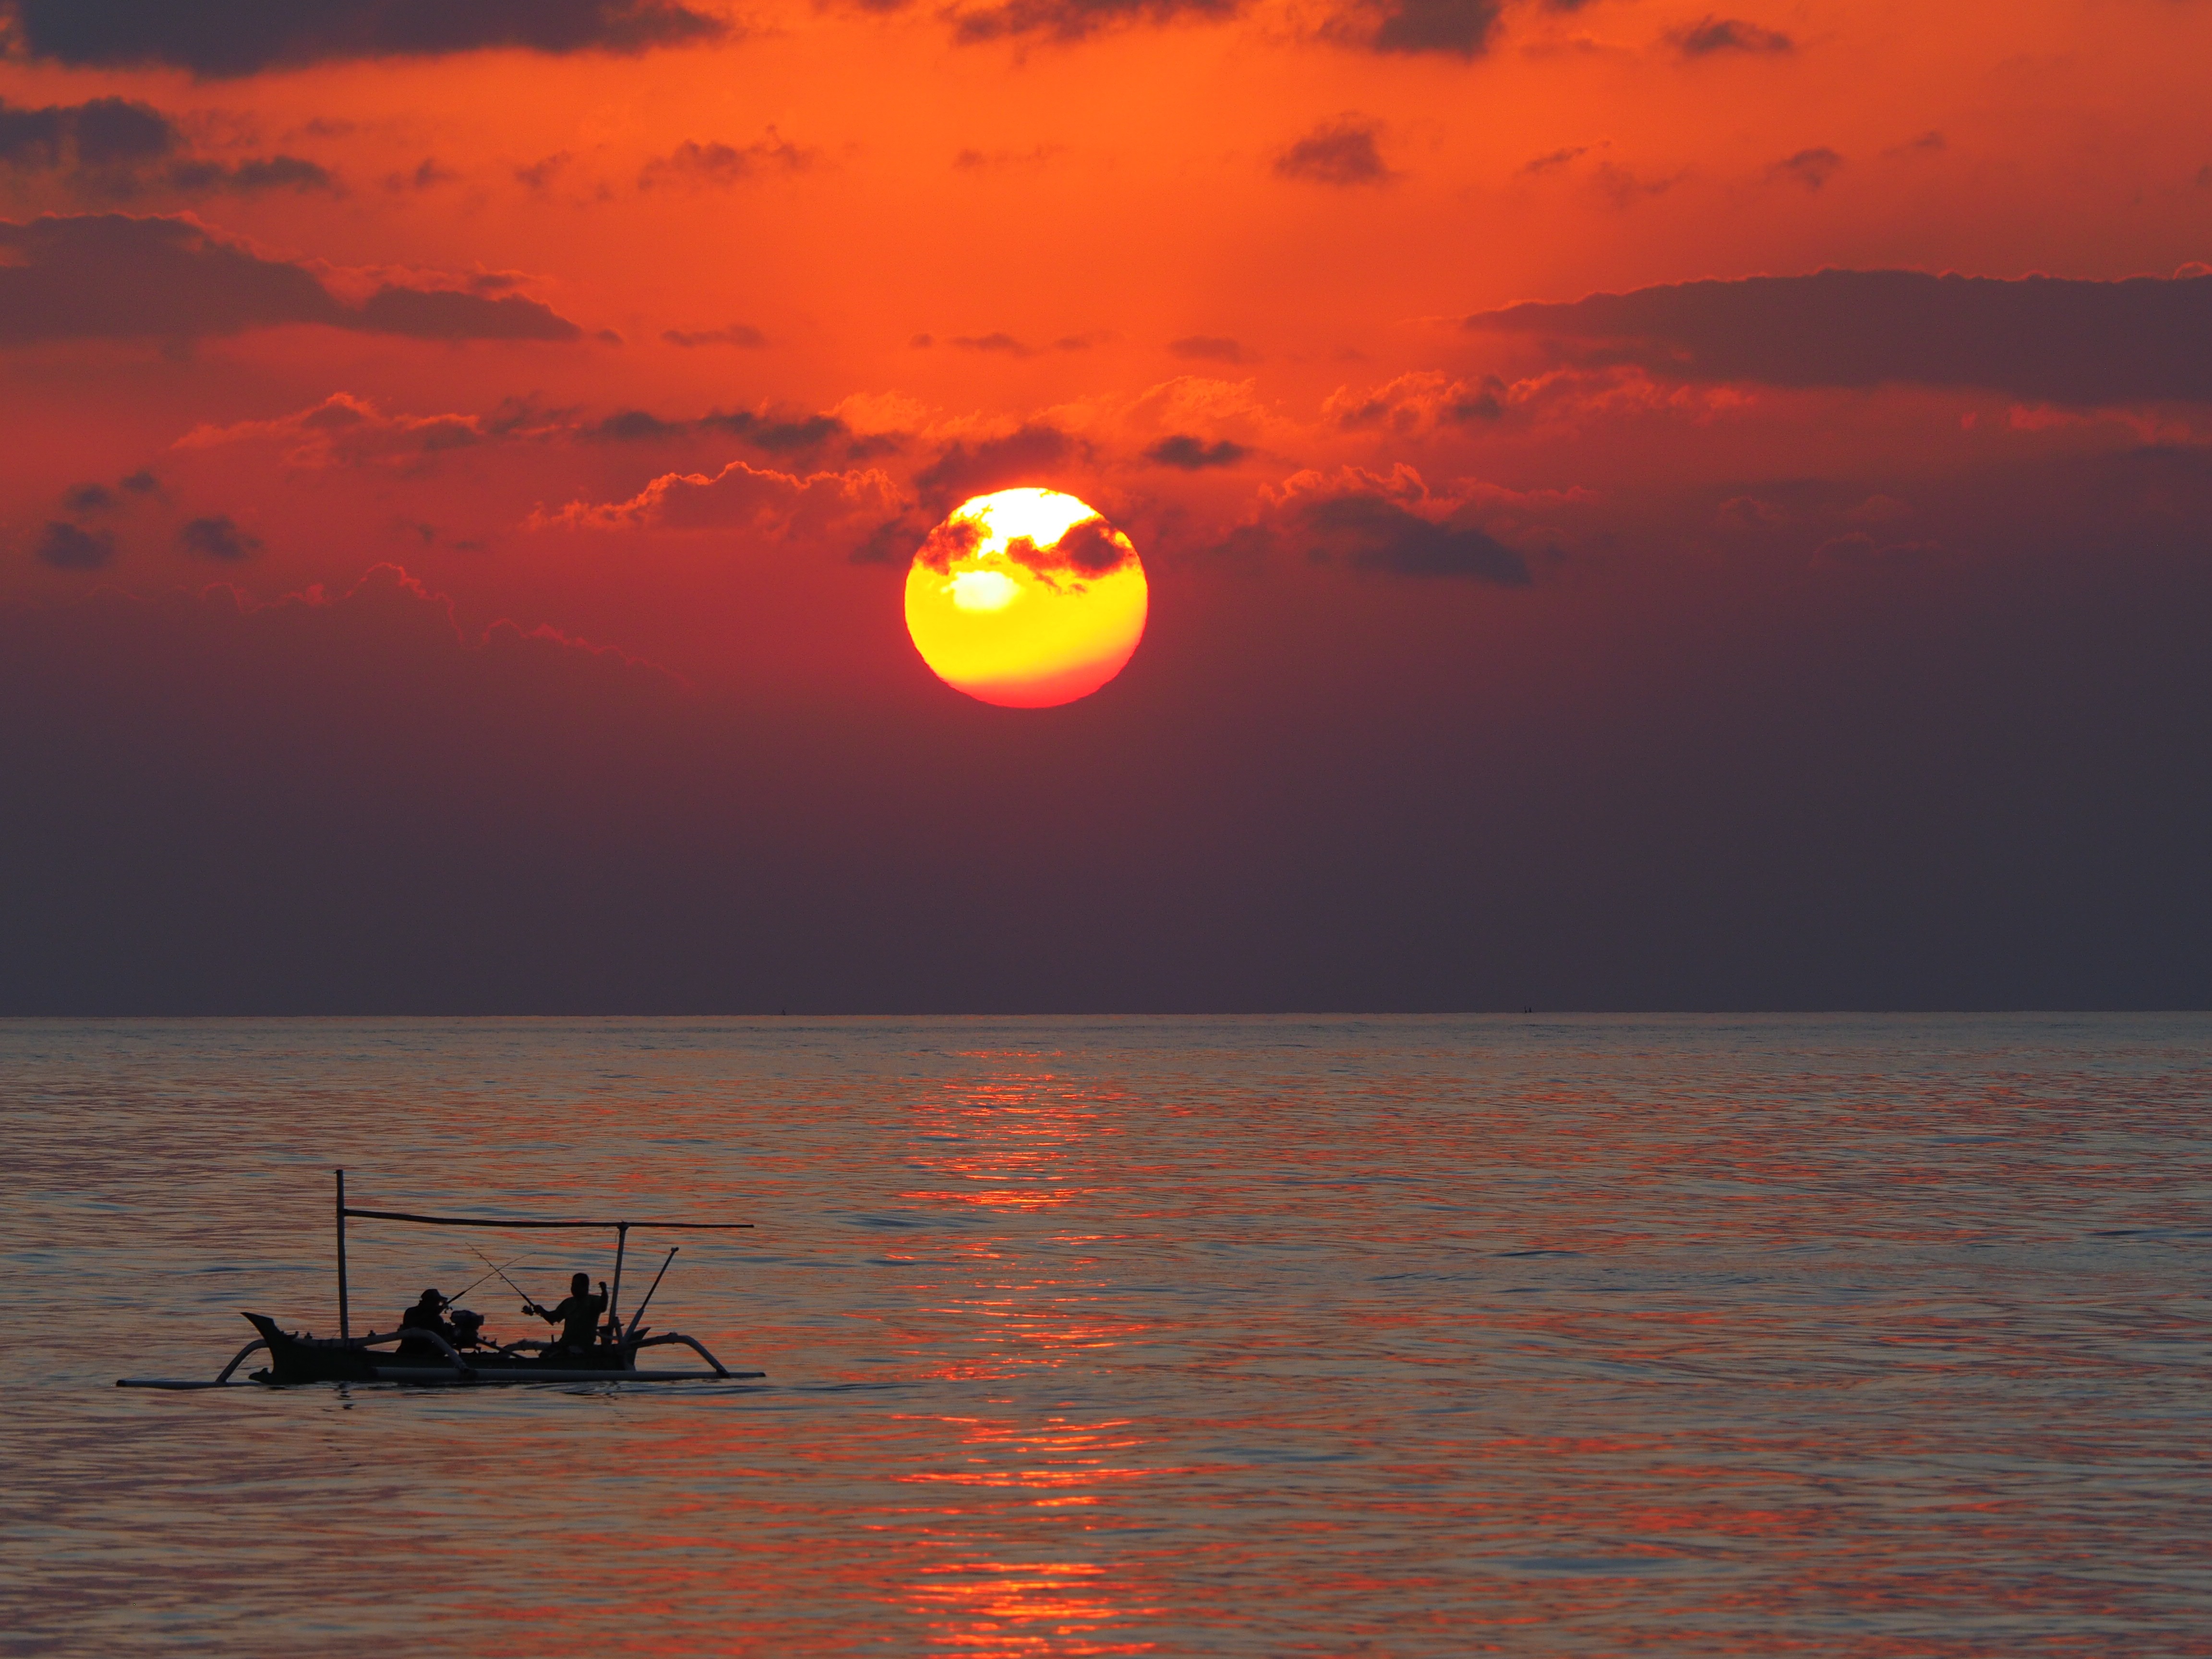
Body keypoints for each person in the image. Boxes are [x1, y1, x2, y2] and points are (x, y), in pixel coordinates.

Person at [526, 1272, 605, 1354]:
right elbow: (553, 1318)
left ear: (586, 1287)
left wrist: (604, 1292)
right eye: (573, 1285)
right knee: (545, 1354)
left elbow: (603, 1307)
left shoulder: (593, 1300)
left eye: (577, 1285)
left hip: (583, 1346)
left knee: (561, 1355)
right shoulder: (568, 1303)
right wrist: (542, 1311)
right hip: (565, 1344)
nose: (574, 1288)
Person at [397, 1288, 453, 1357]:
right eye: (435, 1302)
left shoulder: (437, 1319)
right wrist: (435, 1313)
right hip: (408, 1351)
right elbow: (419, 1323)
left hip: (426, 1350)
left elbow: (443, 1336)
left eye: (438, 1303)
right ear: (426, 1302)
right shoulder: (411, 1312)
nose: (437, 1305)